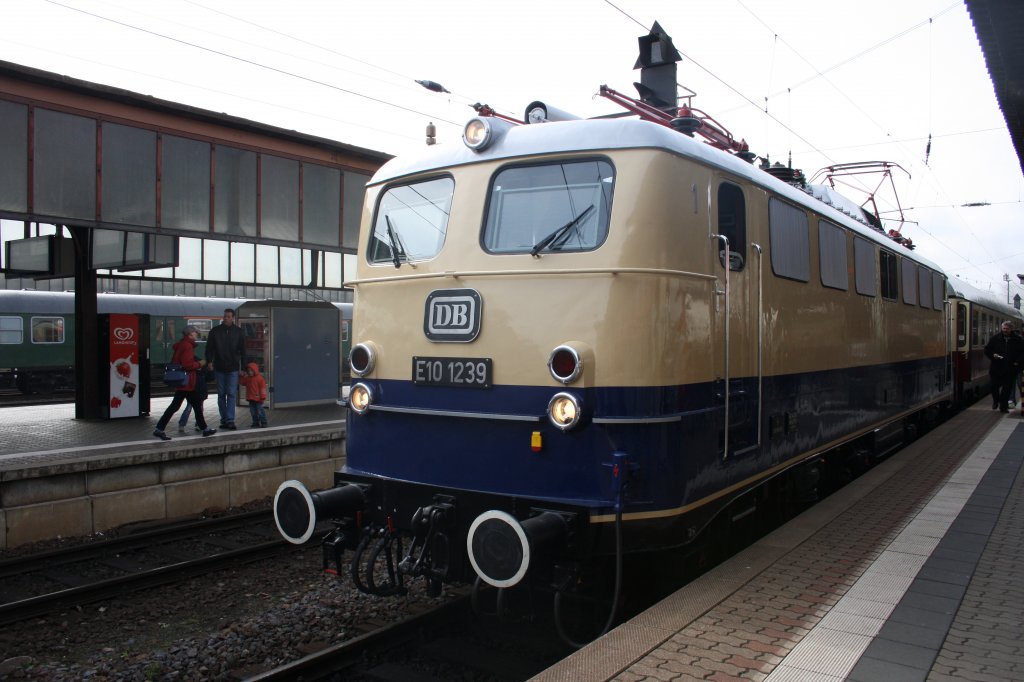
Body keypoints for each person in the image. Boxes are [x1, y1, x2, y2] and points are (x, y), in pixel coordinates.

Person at [153, 326, 216, 440]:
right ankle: (159, 429)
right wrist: (199, 364)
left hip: (185, 382)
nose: (197, 334)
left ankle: (204, 429)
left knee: (187, 405)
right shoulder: (187, 346)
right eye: (195, 333)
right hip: (187, 382)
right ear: (190, 334)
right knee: (190, 406)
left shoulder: (183, 344)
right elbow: (187, 365)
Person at [205, 308, 245, 431]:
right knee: (222, 394)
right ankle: (225, 419)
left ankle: (229, 420)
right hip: (219, 366)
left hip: (232, 367)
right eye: (225, 316)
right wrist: (209, 361)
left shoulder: (239, 332)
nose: (225, 318)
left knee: (231, 394)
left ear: (233, 317)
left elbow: (243, 350)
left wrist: (242, 367)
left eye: (228, 316)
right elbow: (209, 348)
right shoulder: (215, 331)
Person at [983, 320, 1023, 413]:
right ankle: (996, 401)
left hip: (1010, 368)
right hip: (996, 367)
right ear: (1001, 328)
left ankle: (1003, 407)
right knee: (993, 387)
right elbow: (987, 350)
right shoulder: (995, 338)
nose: (1005, 330)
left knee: (1007, 389)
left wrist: (1017, 362)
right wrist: (993, 355)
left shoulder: (1018, 340)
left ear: (1011, 329)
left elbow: (1022, 353)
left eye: (1007, 329)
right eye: (1004, 328)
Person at [238, 362, 269, 428]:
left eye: (251, 371)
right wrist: (241, 376)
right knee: (253, 412)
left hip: (258, 399)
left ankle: (263, 422)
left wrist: (263, 397)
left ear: (255, 370)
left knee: (260, 411)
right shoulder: (248, 378)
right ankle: (255, 422)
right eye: (248, 371)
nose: (249, 372)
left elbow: (262, 388)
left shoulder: (260, 379)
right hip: (251, 399)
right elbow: (242, 383)